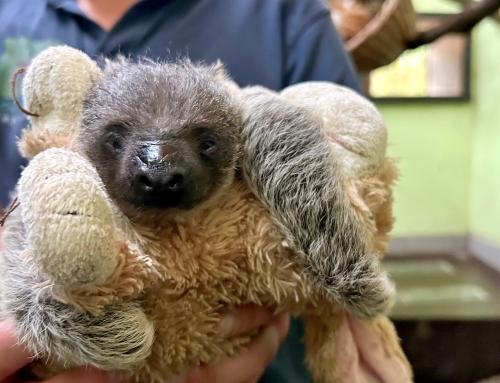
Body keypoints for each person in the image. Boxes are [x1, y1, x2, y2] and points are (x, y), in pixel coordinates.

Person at [0, 0, 361, 382]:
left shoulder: (288, 17)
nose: (159, 175)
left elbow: (359, 194)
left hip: (267, 360)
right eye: (115, 141)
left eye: (207, 145)